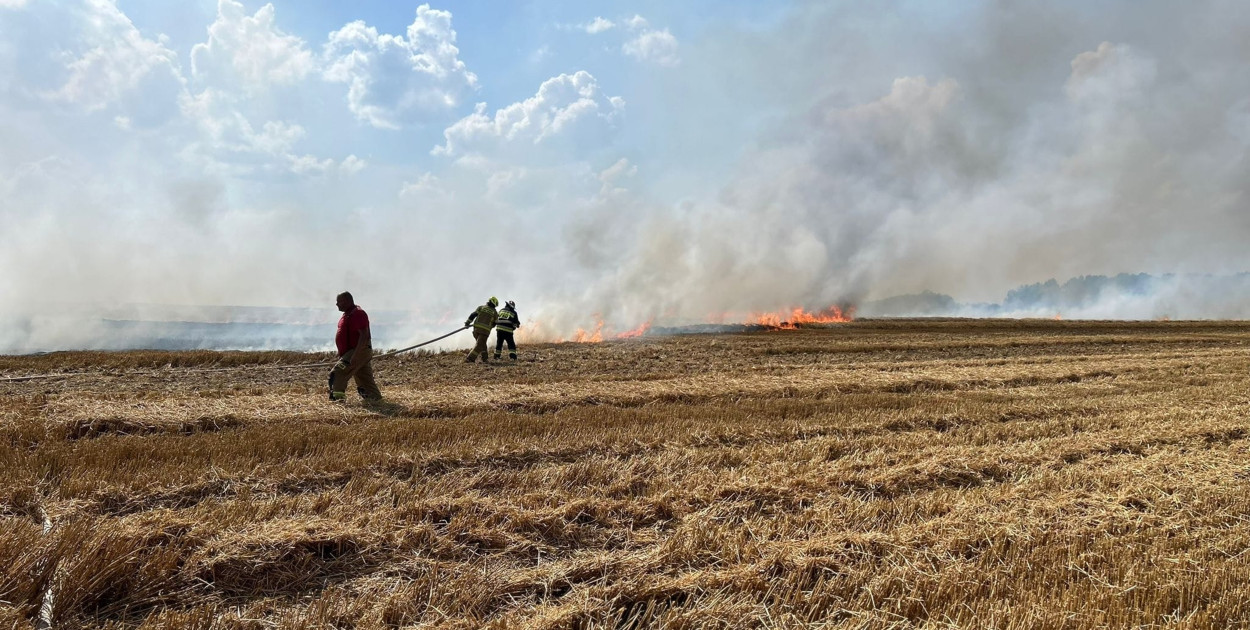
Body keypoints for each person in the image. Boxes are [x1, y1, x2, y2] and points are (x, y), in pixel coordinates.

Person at [328, 291, 382, 401]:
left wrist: (355, 355)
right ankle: (374, 398)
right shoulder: (348, 314)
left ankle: (338, 399)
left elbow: (364, 335)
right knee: (363, 377)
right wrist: (343, 353)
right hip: (353, 352)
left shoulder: (358, 314)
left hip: (358, 350)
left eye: (339, 301)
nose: (337, 304)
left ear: (347, 301)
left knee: (338, 372)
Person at [464, 296, 499, 363]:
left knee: (482, 344)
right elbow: (496, 323)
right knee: (479, 345)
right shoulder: (495, 312)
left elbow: (473, 315)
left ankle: (485, 358)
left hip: (476, 330)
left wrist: (467, 322)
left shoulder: (481, 307)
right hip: (485, 331)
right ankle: (470, 358)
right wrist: (491, 326)